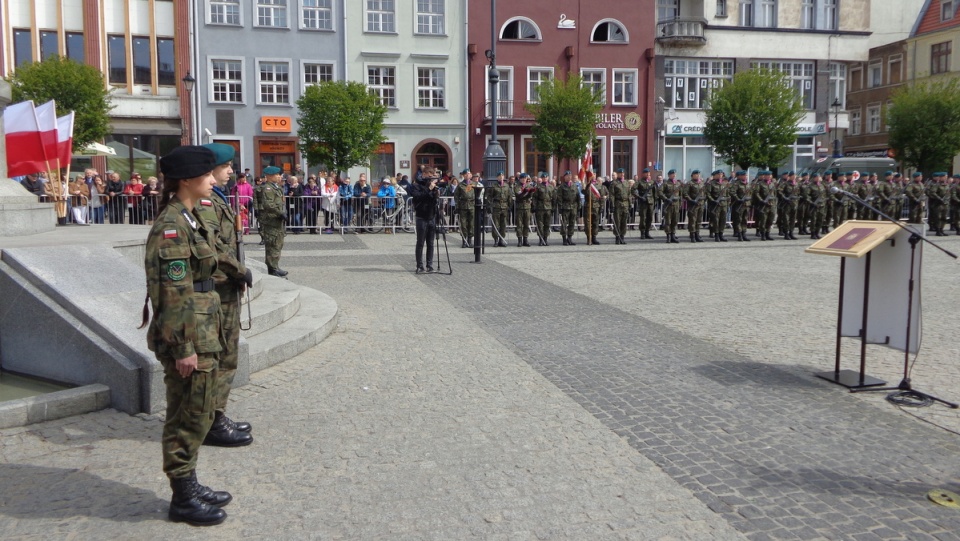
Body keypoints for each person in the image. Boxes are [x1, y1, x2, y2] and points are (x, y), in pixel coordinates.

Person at [143, 145, 233, 526]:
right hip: (188, 335)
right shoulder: (171, 226)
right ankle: (182, 498)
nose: (213, 180)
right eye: (207, 175)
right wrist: (183, 347)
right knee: (186, 415)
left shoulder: (189, 217)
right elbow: (171, 292)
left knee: (198, 412)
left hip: (203, 327)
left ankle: (190, 483)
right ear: (186, 180)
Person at [195, 143, 255, 448]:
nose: (231, 171)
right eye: (226, 166)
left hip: (225, 285)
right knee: (220, 357)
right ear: (211, 169)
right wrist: (238, 270)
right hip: (217, 286)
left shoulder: (215, 198)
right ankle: (211, 422)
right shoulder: (205, 204)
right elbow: (214, 247)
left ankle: (217, 414)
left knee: (227, 355)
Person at [408, 168, 440, 273]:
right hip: (421, 217)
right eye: (429, 176)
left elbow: (433, 200)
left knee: (430, 243)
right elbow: (417, 197)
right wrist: (429, 189)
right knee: (420, 242)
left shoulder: (432, 186)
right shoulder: (416, 185)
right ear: (424, 174)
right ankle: (419, 265)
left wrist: (436, 193)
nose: (431, 178)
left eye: (433, 176)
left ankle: (429, 265)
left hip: (431, 216)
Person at [258, 166, 288, 276]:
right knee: (273, 245)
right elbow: (268, 204)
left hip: (277, 221)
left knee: (278, 244)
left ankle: (275, 266)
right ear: (270, 176)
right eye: (277, 175)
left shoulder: (276, 188)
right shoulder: (268, 188)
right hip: (271, 221)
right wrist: (280, 213)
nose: (279, 177)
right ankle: (272, 268)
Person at [485, 172, 513, 247]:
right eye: (499, 176)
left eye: (502, 176)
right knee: (496, 224)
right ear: (497, 177)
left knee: (503, 224)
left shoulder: (507, 186)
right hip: (496, 206)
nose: (501, 177)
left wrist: (510, 206)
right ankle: (496, 240)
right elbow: (489, 197)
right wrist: (489, 206)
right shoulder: (494, 186)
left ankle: (501, 239)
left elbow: (509, 197)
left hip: (505, 206)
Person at [453, 169, 476, 248]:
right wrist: (457, 205)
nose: (467, 175)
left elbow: (478, 195)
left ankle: (470, 240)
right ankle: (464, 240)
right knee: (463, 224)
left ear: (471, 175)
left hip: (472, 205)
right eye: (465, 174)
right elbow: (456, 195)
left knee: (471, 223)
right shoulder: (460, 185)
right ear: (463, 175)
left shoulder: (474, 184)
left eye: (468, 174)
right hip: (463, 206)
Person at [556, 172, 581, 246]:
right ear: (564, 177)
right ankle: (564, 239)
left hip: (573, 207)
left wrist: (579, 207)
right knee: (564, 223)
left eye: (570, 176)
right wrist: (560, 207)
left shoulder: (574, 186)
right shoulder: (561, 187)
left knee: (572, 223)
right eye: (567, 176)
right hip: (565, 207)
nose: (569, 177)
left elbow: (578, 197)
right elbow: (559, 198)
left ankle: (569, 238)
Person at [532, 172, 556, 246]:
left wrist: (553, 208)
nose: (545, 178)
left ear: (548, 178)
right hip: (540, 207)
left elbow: (554, 198)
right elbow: (534, 198)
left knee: (547, 224)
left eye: (546, 177)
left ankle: (545, 239)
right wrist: (534, 207)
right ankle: (541, 239)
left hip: (548, 207)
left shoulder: (551, 187)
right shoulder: (538, 187)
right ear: (541, 178)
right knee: (540, 224)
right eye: (543, 177)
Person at [583, 172, 606, 245]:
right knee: (587, 223)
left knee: (595, 223)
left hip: (596, 206)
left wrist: (602, 206)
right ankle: (588, 238)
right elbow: (584, 192)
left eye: (594, 174)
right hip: (588, 206)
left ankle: (594, 238)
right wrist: (587, 185)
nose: (593, 176)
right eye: (591, 174)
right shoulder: (586, 185)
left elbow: (601, 197)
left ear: (596, 176)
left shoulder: (599, 185)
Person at [753, 170, 776, 241]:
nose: (769, 177)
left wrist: (774, 203)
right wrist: (761, 200)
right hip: (764, 205)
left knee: (770, 220)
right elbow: (756, 193)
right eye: (768, 175)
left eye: (770, 175)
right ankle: (763, 234)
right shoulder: (760, 184)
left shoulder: (772, 184)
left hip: (771, 205)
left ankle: (767, 234)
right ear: (765, 176)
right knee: (763, 220)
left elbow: (775, 194)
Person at [514, 173, 536, 246]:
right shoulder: (517, 186)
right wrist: (524, 192)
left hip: (527, 207)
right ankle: (519, 240)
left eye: (525, 178)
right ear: (520, 179)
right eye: (522, 178)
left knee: (526, 224)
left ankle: (525, 240)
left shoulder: (529, 186)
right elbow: (519, 195)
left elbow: (531, 197)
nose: (524, 180)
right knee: (519, 224)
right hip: (520, 207)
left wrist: (530, 192)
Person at [729, 171, 751, 242]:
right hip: (739, 205)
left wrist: (749, 199)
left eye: (746, 175)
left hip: (746, 204)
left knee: (744, 220)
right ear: (739, 176)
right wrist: (738, 199)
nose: (746, 176)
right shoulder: (736, 184)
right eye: (744, 175)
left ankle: (744, 233)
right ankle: (739, 234)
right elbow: (732, 192)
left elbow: (750, 193)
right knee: (738, 220)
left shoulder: (747, 184)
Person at [684, 170, 705, 243]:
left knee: (699, 221)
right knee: (692, 220)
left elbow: (704, 193)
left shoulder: (702, 183)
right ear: (692, 175)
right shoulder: (689, 183)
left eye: (698, 174)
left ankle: (697, 234)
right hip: (693, 205)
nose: (698, 175)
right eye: (696, 174)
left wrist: (703, 200)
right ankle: (692, 235)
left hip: (700, 204)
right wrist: (691, 200)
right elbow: (685, 194)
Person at [660, 170, 681, 244]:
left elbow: (680, 195)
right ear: (669, 175)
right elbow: (660, 192)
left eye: (675, 174)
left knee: (675, 221)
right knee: (668, 221)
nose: (674, 175)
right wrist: (666, 199)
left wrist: (679, 203)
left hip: (676, 205)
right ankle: (668, 236)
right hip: (668, 205)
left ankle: (673, 235)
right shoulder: (665, 183)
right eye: (672, 174)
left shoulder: (678, 183)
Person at [634, 168, 655, 240]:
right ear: (643, 174)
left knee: (650, 218)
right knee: (643, 218)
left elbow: (655, 192)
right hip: (643, 202)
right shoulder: (639, 182)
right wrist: (639, 197)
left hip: (651, 202)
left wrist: (654, 201)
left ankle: (647, 232)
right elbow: (633, 190)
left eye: (649, 173)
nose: (648, 174)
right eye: (646, 173)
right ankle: (642, 233)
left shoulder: (652, 182)